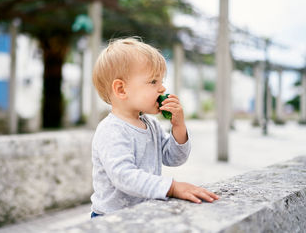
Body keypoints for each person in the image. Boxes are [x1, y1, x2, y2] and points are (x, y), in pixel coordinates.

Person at [90, 37, 219, 218]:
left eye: (161, 81)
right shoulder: (111, 130)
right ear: (121, 89)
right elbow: (123, 176)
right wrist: (172, 187)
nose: (162, 88)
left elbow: (174, 158)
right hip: (111, 220)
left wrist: (178, 127)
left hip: (144, 213)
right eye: (153, 82)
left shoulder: (151, 125)